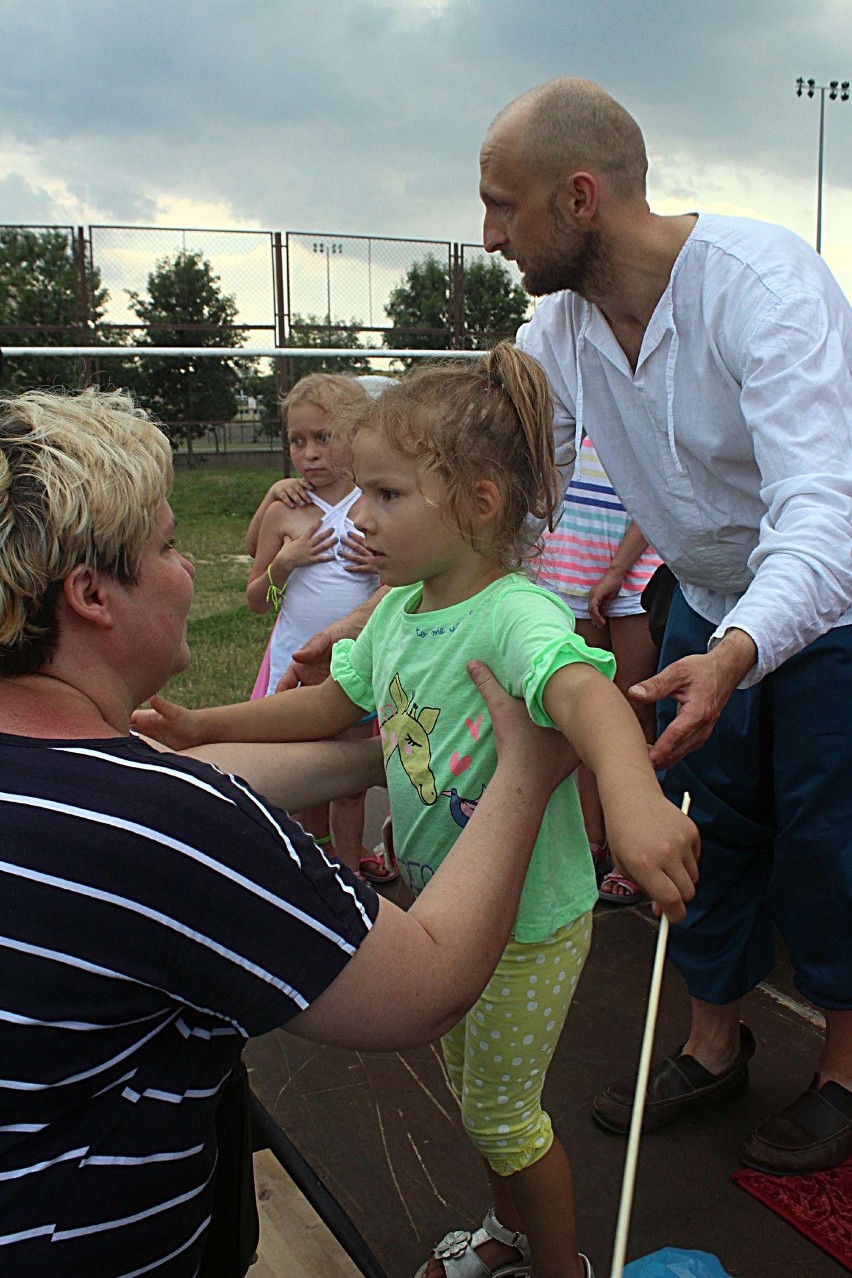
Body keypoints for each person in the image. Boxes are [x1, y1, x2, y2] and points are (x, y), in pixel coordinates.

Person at [0, 385, 600, 1278]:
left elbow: (308, 761)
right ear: (89, 593)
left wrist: (375, 747)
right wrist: (524, 770)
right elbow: (425, 987)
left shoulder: (73, 778)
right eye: (166, 546)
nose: (190, 567)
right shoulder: (168, 825)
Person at [134, 345, 699, 1278]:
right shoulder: (398, 611)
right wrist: (203, 724)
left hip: (528, 923)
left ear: (479, 502)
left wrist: (634, 800)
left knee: (506, 1118)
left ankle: (560, 1268)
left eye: (386, 494)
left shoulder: (517, 615)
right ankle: (506, 1238)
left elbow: (588, 697)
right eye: (361, 490)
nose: (359, 514)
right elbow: (331, 705)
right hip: (450, 910)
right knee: (481, 1099)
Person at [479, 76, 852, 1175]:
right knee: (703, 825)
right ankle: (713, 1044)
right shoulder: (557, 324)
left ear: (580, 197)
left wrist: (735, 653)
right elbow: (486, 454)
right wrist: (379, 597)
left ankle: (842, 1071)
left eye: (504, 204)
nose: (491, 232)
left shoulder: (763, 286)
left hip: (829, 611)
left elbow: (825, 524)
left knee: (832, 842)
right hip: (705, 598)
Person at [245, 372, 392, 881]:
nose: (309, 453)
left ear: (355, 434)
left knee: (349, 782)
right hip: (295, 665)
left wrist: (379, 569)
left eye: (323, 437)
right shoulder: (286, 511)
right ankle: (311, 870)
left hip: (354, 668)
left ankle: (351, 880)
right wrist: (285, 564)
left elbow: (403, 587)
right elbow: (258, 600)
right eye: (297, 440)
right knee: (302, 775)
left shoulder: (376, 505)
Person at [534, 435, 661, 904]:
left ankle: (633, 852)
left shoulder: (626, 412)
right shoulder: (560, 421)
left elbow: (652, 499)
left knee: (634, 708)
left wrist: (614, 574)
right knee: (585, 715)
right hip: (568, 575)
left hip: (633, 581)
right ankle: (592, 841)